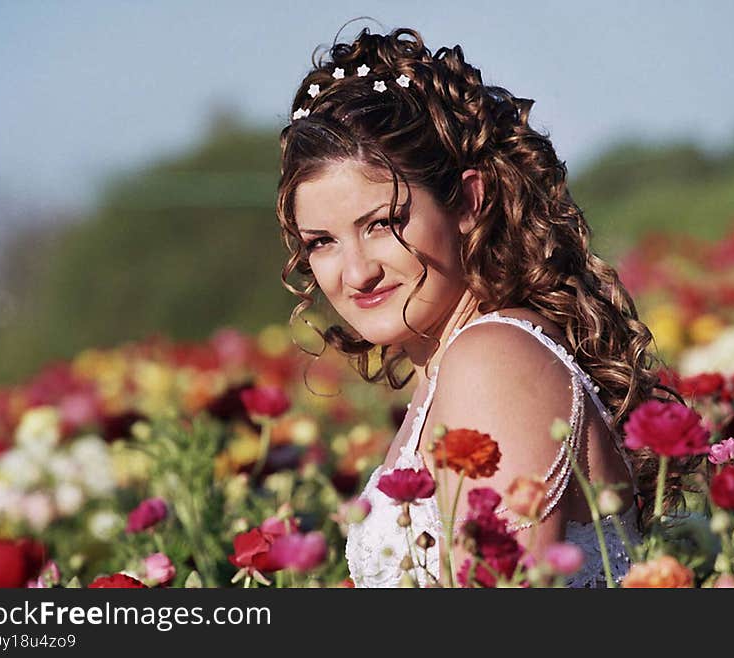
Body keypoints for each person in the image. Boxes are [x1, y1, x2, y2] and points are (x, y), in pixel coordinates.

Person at [275, 25, 672, 588]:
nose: (356, 271)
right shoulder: (464, 361)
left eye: (383, 223)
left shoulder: (492, 359)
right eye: (322, 241)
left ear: (466, 201)